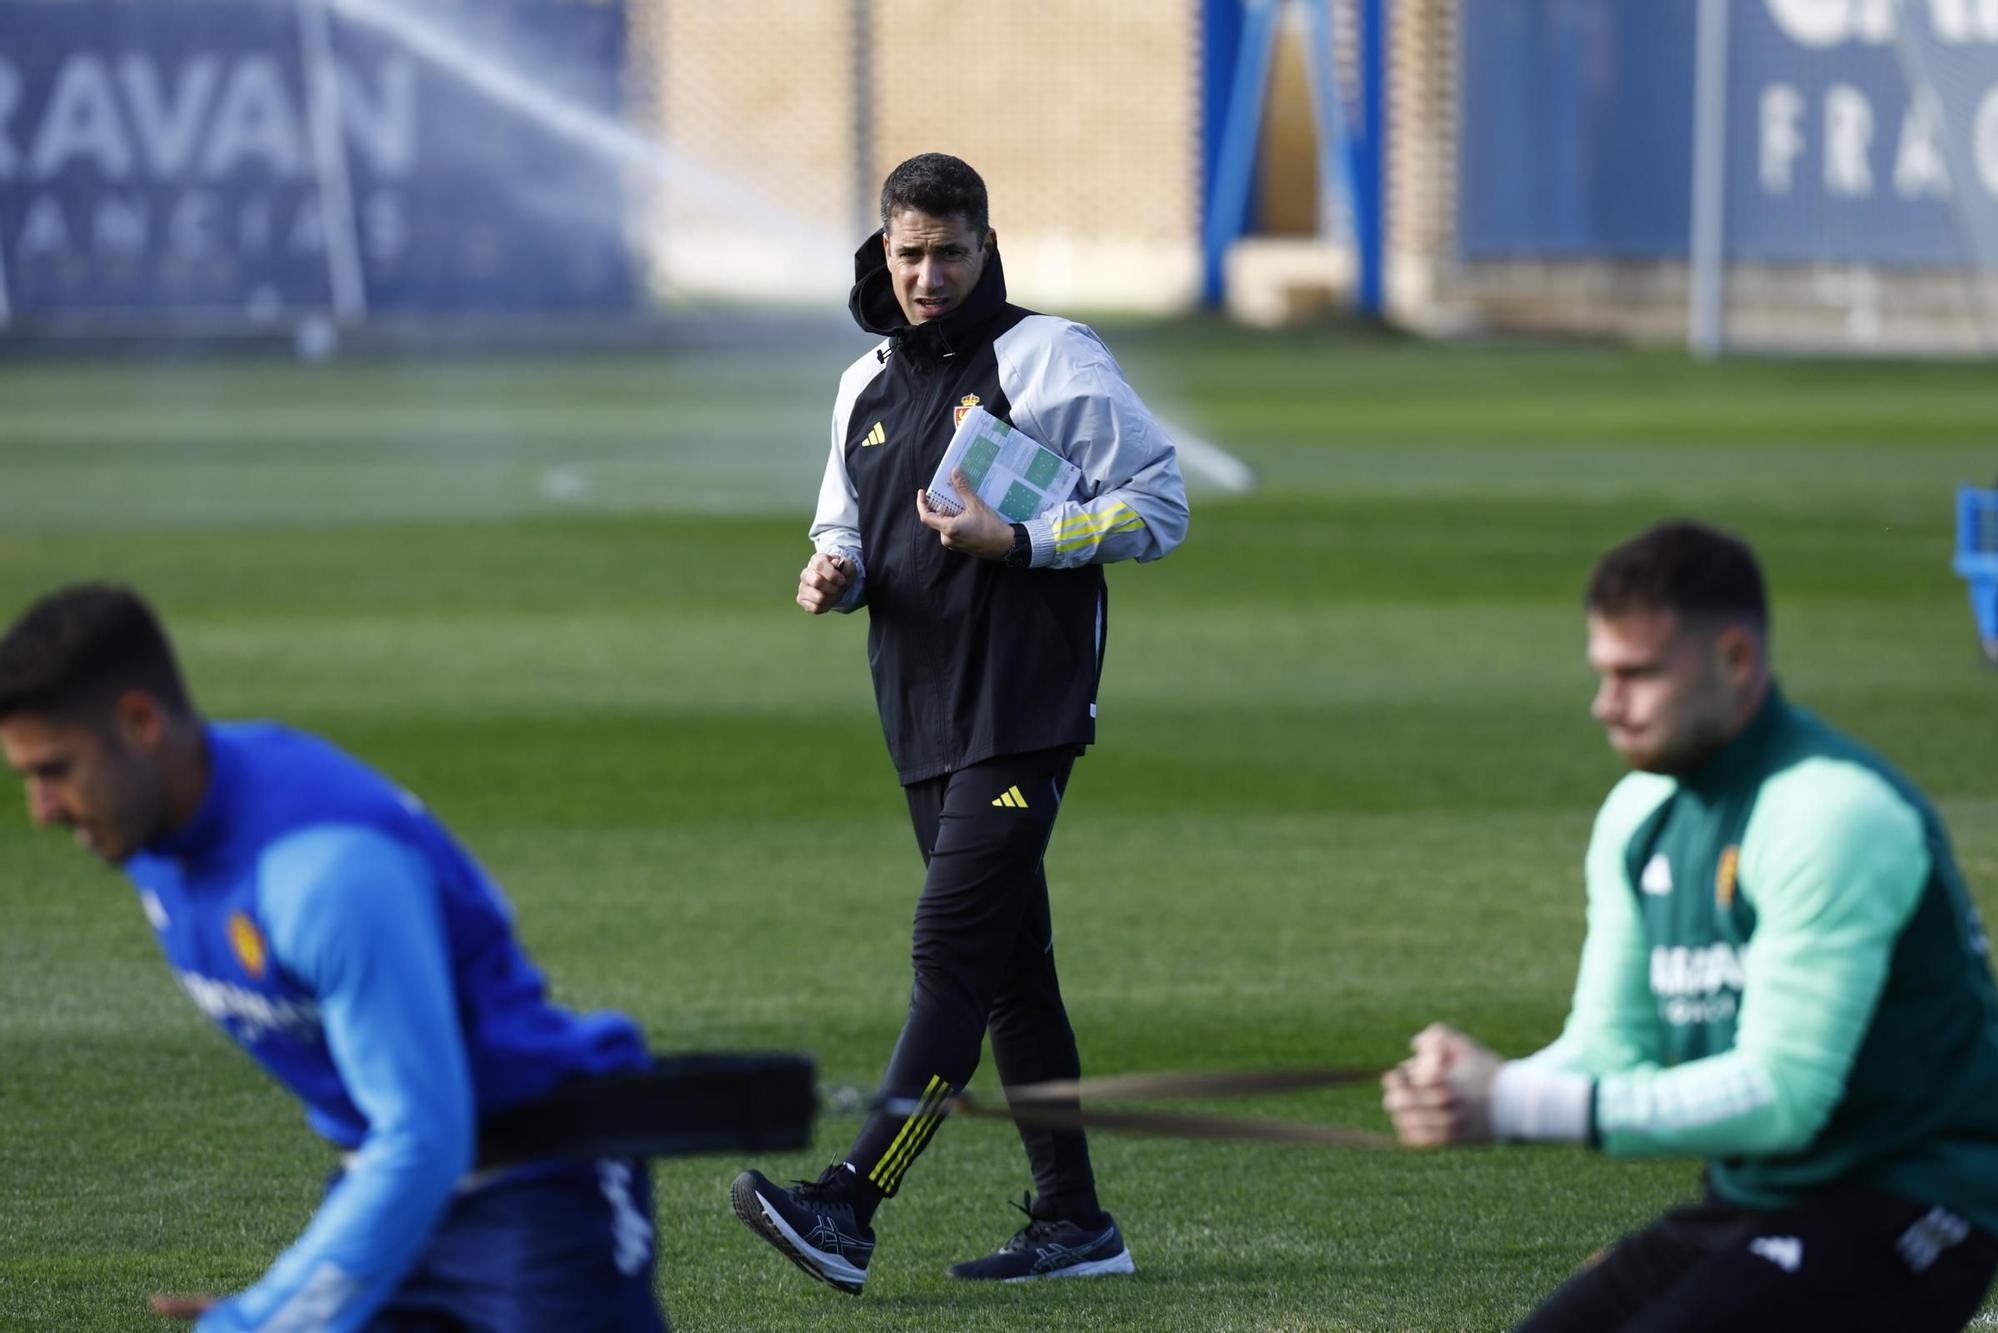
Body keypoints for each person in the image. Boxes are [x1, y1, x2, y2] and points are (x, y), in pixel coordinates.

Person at [729, 152, 1188, 1294]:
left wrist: (1022, 540)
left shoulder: (1049, 356)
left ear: (986, 247)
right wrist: (829, 570)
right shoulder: (862, 387)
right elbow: (840, 525)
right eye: (908, 252)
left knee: (948, 957)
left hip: (1022, 709)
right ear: (883, 253)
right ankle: (1075, 1225)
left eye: (947, 251)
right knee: (1008, 975)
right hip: (919, 711)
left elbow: (1160, 506)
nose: (927, 274)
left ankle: (848, 1204)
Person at [1381, 520, 1998, 1332]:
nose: (1607, 704)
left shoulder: (1831, 813)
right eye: (1603, 672)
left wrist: (1517, 1102)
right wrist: (1481, 1087)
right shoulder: (1639, 812)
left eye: (1637, 674)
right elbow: (1612, 1045)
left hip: (1914, 1205)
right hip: (1758, 1200)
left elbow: (1785, 1094)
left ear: (1735, 660)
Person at [0, 584, 669, 1332]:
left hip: (539, 1193)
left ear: (141, 723)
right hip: (387, 1186)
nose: (42, 810)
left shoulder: (323, 873)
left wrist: (260, 1317)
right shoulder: (151, 827)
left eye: (54, 769)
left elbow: (423, 1136)